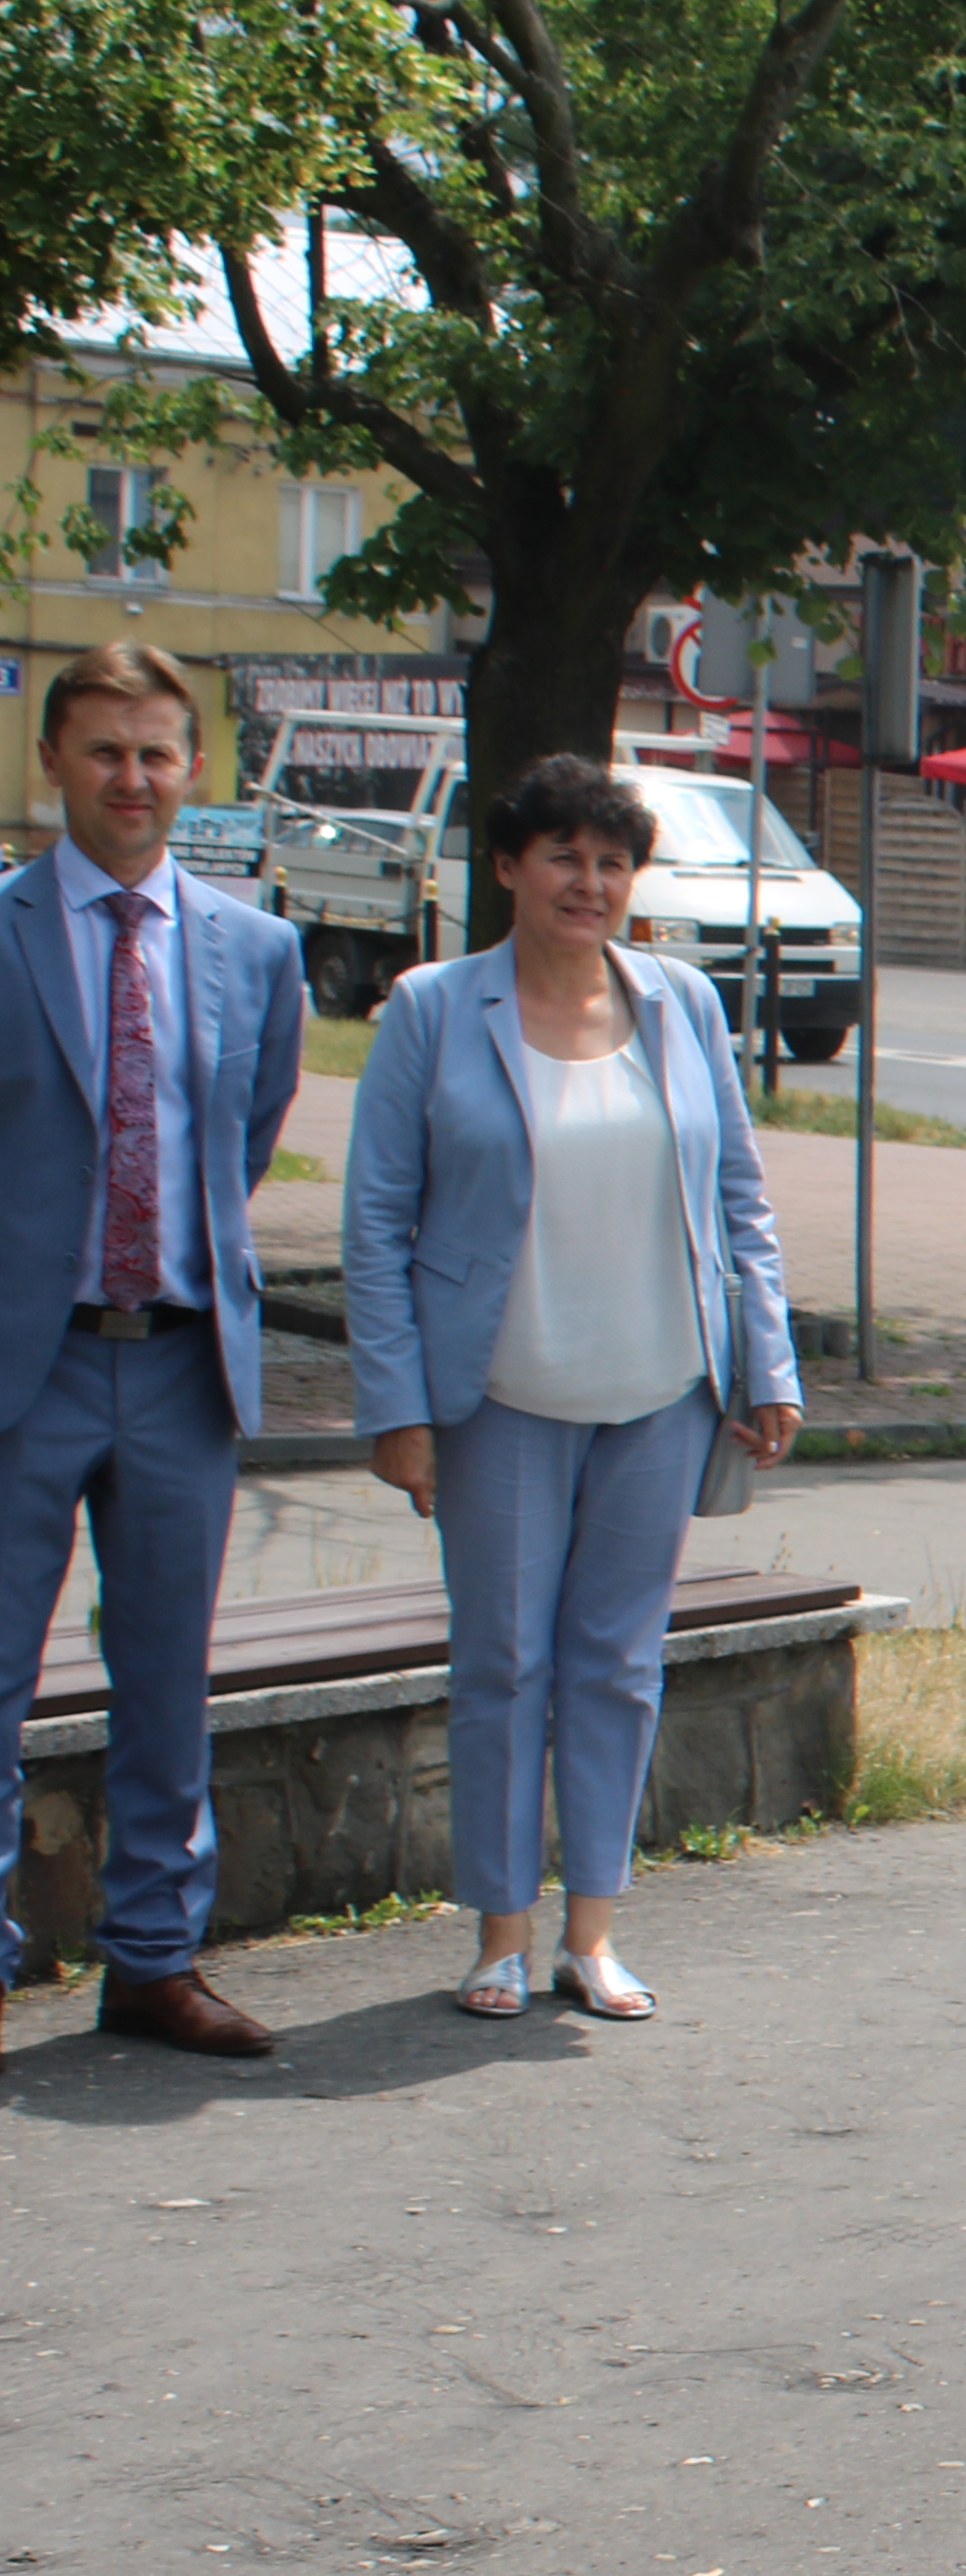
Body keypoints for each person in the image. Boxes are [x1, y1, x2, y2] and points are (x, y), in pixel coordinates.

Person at [345, 755, 805, 2022]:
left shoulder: (682, 1004)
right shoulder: (434, 1010)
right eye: (563, 857)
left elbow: (739, 1203)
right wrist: (396, 1408)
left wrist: (765, 1363)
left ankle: (590, 1932)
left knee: (614, 1663)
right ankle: (499, 1933)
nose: (588, 884)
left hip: (658, 1389)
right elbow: (376, 1222)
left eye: (611, 863)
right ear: (506, 866)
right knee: (502, 1662)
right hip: (498, 1394)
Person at [1, 644, 309, 2064]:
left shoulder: (256, 951)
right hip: (25, 1361)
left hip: (181, 1362)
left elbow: (237, 1140)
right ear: (53, 763)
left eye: (158, 752)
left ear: (195, 769)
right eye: (104, 751)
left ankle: (153, 1961)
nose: (132, 778)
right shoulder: (2, 931)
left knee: (168, 1679)